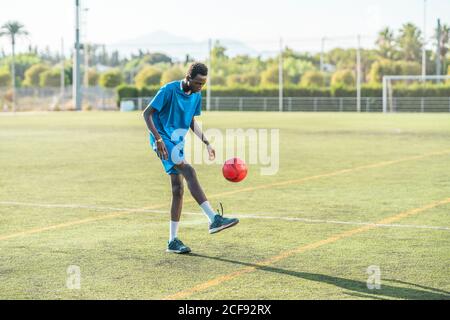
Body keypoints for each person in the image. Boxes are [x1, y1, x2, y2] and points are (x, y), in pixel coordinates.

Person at [142, 62, 239, 254]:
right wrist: (159, 139)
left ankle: (172, 241)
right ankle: (213, 219)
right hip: (162, 140)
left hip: (177, 142)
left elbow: (191, 121)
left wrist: (207, 143)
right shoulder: (168, 90)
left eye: (203, 84)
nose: (200, 87)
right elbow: (147, 114)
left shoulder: (196, 95)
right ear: (188, 78)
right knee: (190, 171)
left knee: (178, 190)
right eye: (197, 83)